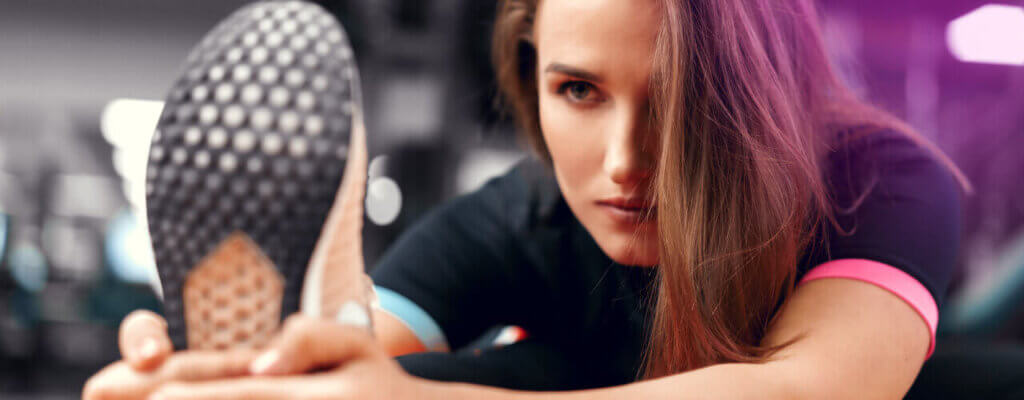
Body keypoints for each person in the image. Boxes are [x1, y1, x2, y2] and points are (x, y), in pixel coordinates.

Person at [84, 0, 968, 398]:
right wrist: (217, 381)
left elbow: (815, 391)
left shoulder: (876, 176)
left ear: (759, 91)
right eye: (578, 90)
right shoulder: (518, 217)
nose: (625, 163)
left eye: (683, 101)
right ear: (531, 79)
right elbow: (352, 368)